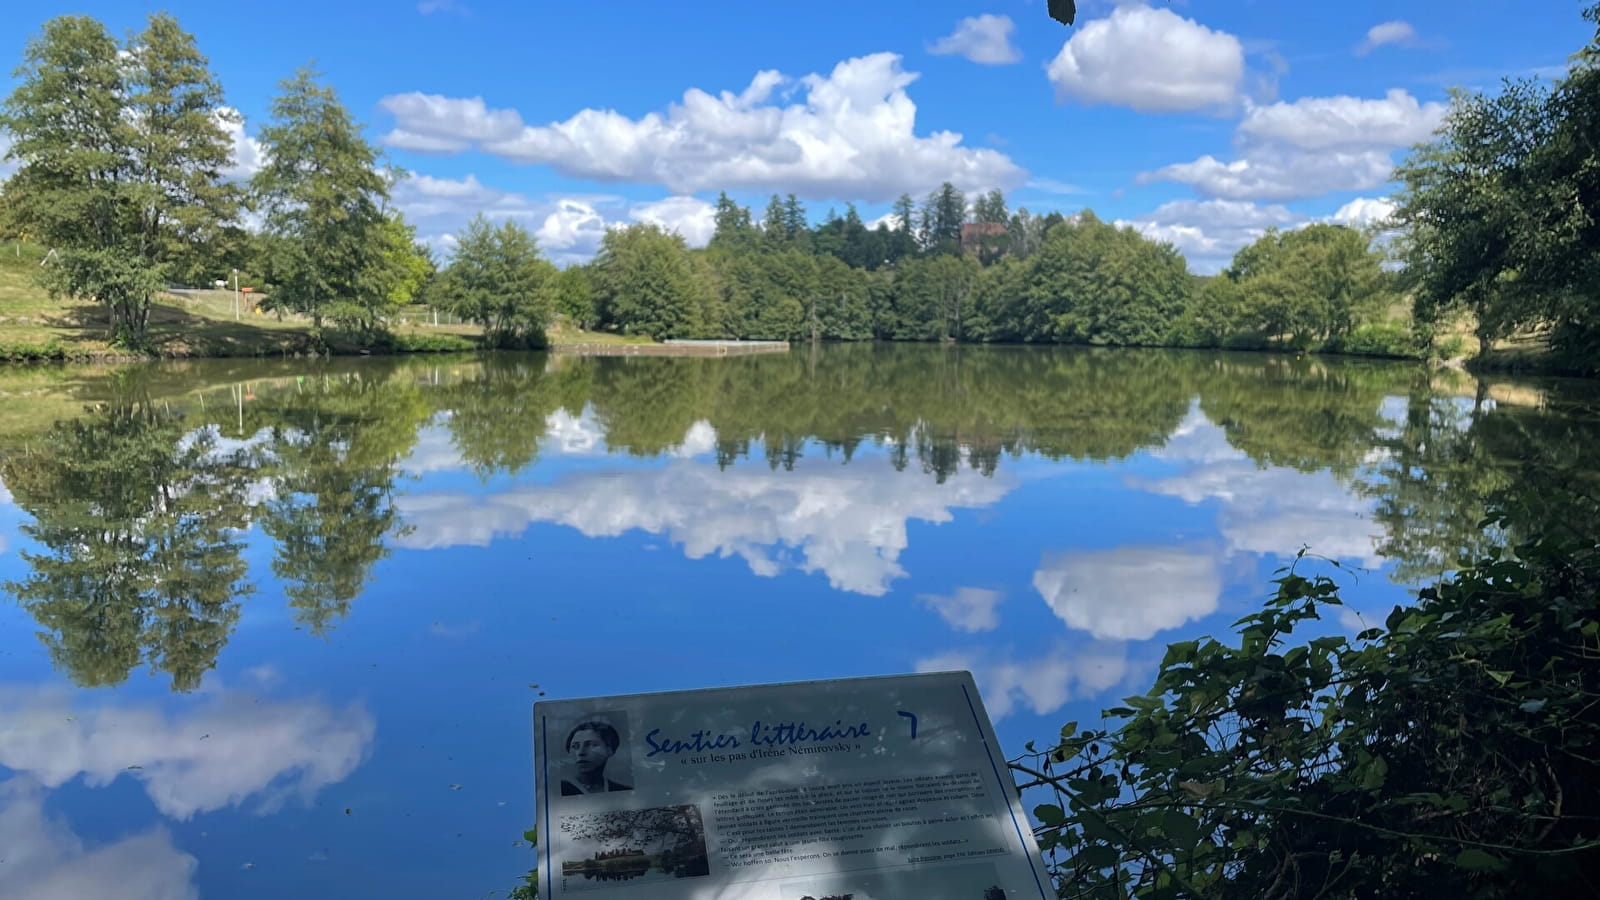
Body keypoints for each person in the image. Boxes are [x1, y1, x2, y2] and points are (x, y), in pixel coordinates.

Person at [560, 720, 631, 795]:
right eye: (575, 746)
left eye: (591, 745)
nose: (580, 752)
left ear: (610, 749)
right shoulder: (559, 790)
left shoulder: (623, 791)